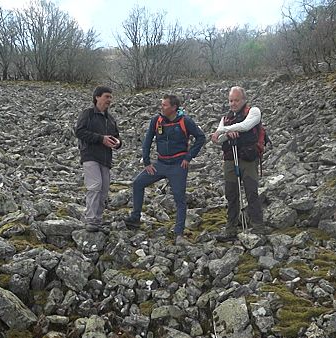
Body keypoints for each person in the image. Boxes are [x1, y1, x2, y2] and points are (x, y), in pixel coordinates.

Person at [122, 94, 205, 245]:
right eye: (162, 104)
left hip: (178, 165)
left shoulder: (185, 121)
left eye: (165, 105)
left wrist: (188, 157)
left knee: (180, 199)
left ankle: (179, 234)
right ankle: (135, 218)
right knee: (138, 183)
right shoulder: (156, 120)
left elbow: (201, 137)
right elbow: (147, 141)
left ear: (174, 108)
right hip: (159, 164)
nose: (161, 107)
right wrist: (146, 161)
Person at [210, 86, 264, 241]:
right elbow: (217, 140)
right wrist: (226, 134)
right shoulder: (225, 118)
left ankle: (258, 227)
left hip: (248, 158)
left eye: (236, 100)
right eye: (230, 100)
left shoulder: (254, 112)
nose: (233, 103)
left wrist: (224, 131)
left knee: (251, 192)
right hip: (230, 159)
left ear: (244, 100)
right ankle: (231, 228)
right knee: (231, 194)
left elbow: (246, 126)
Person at [75, 86, 122, 232]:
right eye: (106, 96)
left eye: (110, 97)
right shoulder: (88, 114)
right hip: (90, 155)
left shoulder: (110, 118)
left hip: (106, 158)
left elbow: (117, 137)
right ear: (97, 97)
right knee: (95, 186)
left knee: (104, 189)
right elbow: (79, 131)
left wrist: (118, 143)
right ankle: (91, 220)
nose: (109, 100)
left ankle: (98, 219)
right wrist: (100, 139)